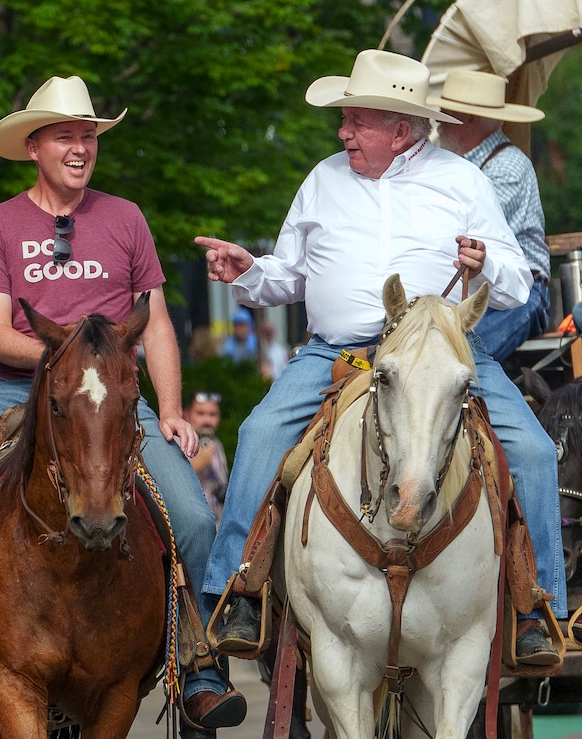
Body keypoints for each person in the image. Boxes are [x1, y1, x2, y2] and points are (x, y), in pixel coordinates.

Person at [0, 75, 246, 739]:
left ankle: (198, 668)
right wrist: (71, 362)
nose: (80, 148)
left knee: (193, 515)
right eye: (66, 137)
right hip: (12, 393)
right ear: (33, 146)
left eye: (88, 136)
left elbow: (157, 323)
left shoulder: (126, 217)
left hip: (116, 403)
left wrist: (170, 407)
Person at [195, 49, 565, 665]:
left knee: (528, 448)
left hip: (441, 347)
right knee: (259, 431)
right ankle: (237, 592)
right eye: (343, 121)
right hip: (336, 351)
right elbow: (286, 274)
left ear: (401, 128)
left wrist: (485, 264)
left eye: (355, 120)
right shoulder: (322, 178)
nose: (342, 132)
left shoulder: (463, 181)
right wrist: (248, 272)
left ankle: (537, 605)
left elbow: (517, 285)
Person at [433, 70, 551, 362]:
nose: (437, 120)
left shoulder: (506, 167)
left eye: (445, 112)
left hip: (522, 297)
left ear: (468, 118)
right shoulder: (466, 165)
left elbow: (462, 231)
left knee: (459, 360)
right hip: (483, 294)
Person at [184, 391, 228, 526]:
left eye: (212, 414)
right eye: (201, 413)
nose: (207, 420)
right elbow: (166, 488)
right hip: (191, 523)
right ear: (187, 415)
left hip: (217, 522)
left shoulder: (216, 445)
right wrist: (196, 465)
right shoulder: (177, 443)